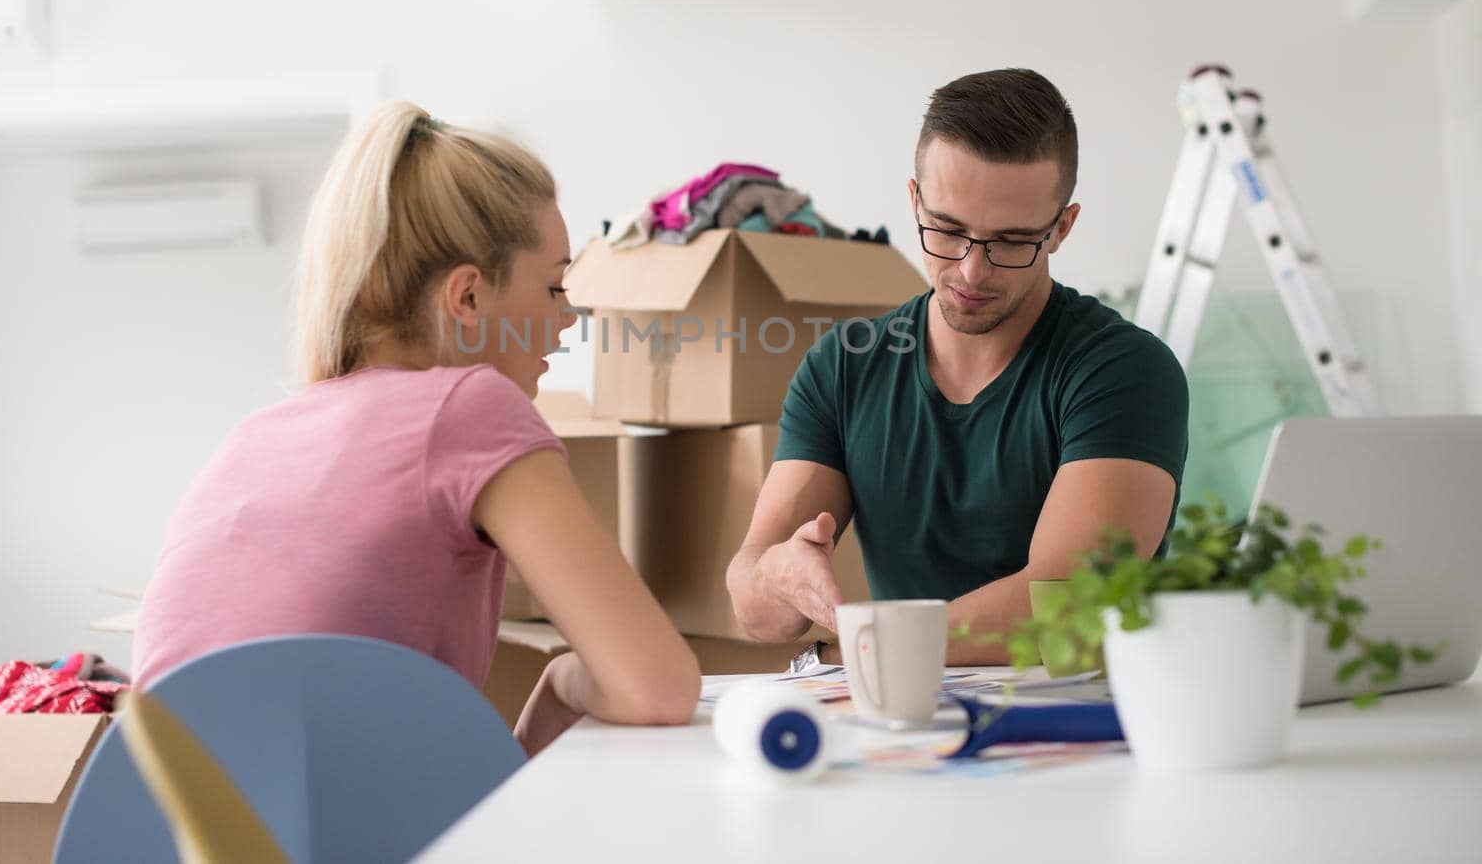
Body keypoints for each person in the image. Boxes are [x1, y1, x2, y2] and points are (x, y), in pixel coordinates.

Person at [133, 103, 700, 753]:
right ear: (467, 298)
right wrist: (568, 677)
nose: (569, 318)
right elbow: (657, 689)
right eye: (553, 287)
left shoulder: (257, 434)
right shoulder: (470, 406)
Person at [726, 68, 1189, 664]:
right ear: (915, 201)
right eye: (946, 230)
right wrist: (777, 578)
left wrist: (866, 650)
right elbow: (753, 608)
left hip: (1076, 727)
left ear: (1061, 229)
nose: (972, 271)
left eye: (1012, 241)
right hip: (903, 716)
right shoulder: (844, 366)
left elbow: (1067, 610)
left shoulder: (1123, 371)